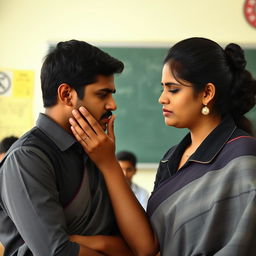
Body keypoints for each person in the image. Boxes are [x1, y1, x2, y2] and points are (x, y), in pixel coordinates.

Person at [69, 37, 256, 256]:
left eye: (173, 90)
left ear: (207, 93)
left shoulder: (243, 157)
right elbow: (149, 245)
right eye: (163, 88)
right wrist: (108, 162)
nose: (162, 99)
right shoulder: (171, 159)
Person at [0, 40, 157, 256]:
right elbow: (57, 252)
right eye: (103, 94)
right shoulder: (27, 158)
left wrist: (109, 164)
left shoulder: (96, 151)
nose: (113, 105)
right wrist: (112, 247)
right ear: (66, 95)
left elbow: (144, 247)